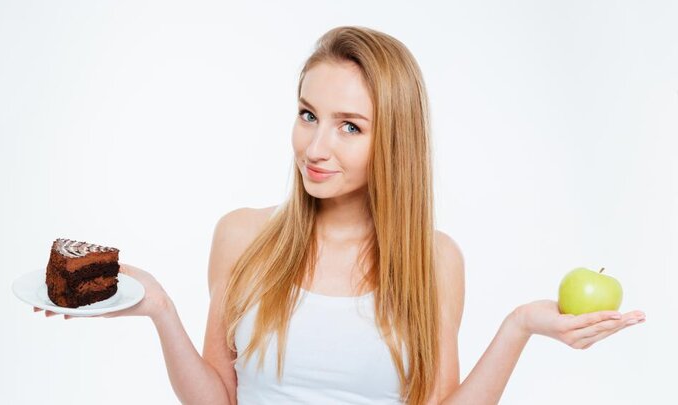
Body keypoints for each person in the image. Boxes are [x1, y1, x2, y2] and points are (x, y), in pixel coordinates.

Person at [34, 26, 646, 405]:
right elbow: (219, 400)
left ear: (394, 143)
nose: (315, 146)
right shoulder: (242, 235)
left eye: (349, 126)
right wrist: (160, 310)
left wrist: (518, 327)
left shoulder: (434, 258)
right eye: (308, 115)